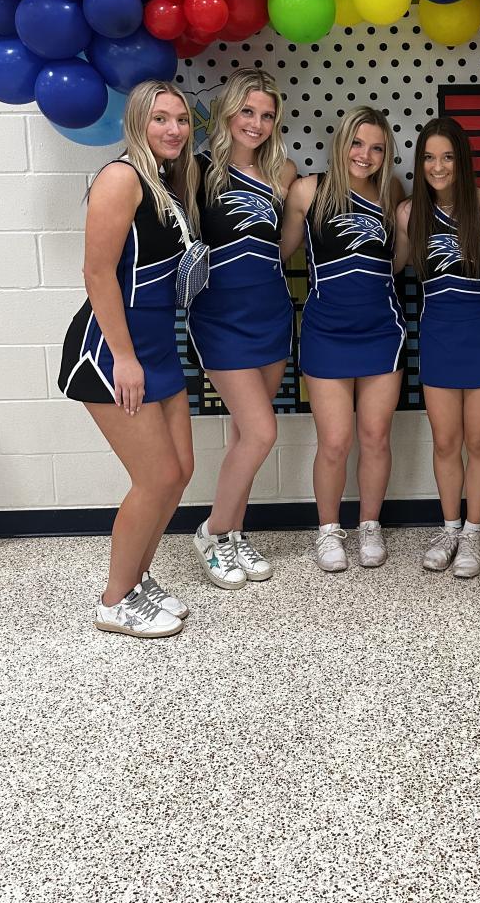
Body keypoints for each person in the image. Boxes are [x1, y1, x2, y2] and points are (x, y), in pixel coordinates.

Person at [58, 80, 200, 638]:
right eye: (160, 118)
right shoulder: (121, 178)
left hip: (158, 344)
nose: (173, 129)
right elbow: (96, 272)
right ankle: (114, 601)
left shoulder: (165, 182)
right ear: (137, 122)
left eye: (181, 119)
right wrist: (124, 356)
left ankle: (137, 580)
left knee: (179, 473)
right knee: (155, 477)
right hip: (111, 351)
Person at [280, 107, 406, 572]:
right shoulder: (308, 191)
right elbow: (280, 253)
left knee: (375, 437)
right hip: (325, 333)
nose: (365, 155)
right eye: (357, 143)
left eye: (376, 148)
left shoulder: (391, 192)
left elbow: (395, 262)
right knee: (334, 441)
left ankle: (369, 524)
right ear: (341, 143)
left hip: (382, 331)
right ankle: (328, 529)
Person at [187, 68, 297, 590]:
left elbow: (283, 246)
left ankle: (233, 534)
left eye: (267, 115)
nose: (256, 123)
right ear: (228, 112)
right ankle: (211, 531)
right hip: (220, 319)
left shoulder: (282, 173)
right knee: (261, 432)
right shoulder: (198, 170)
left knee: (242, 437)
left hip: (271, 313)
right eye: (247, 111)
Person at [396, 117, 480, 579]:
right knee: (446, 441)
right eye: (428, 157)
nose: (438, 166)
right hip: (438, 335)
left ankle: (473, 533)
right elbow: (390, 267)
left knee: (479, 440)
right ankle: (449, 529)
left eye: (447, 156)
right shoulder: (408, 213)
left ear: (462, 159)